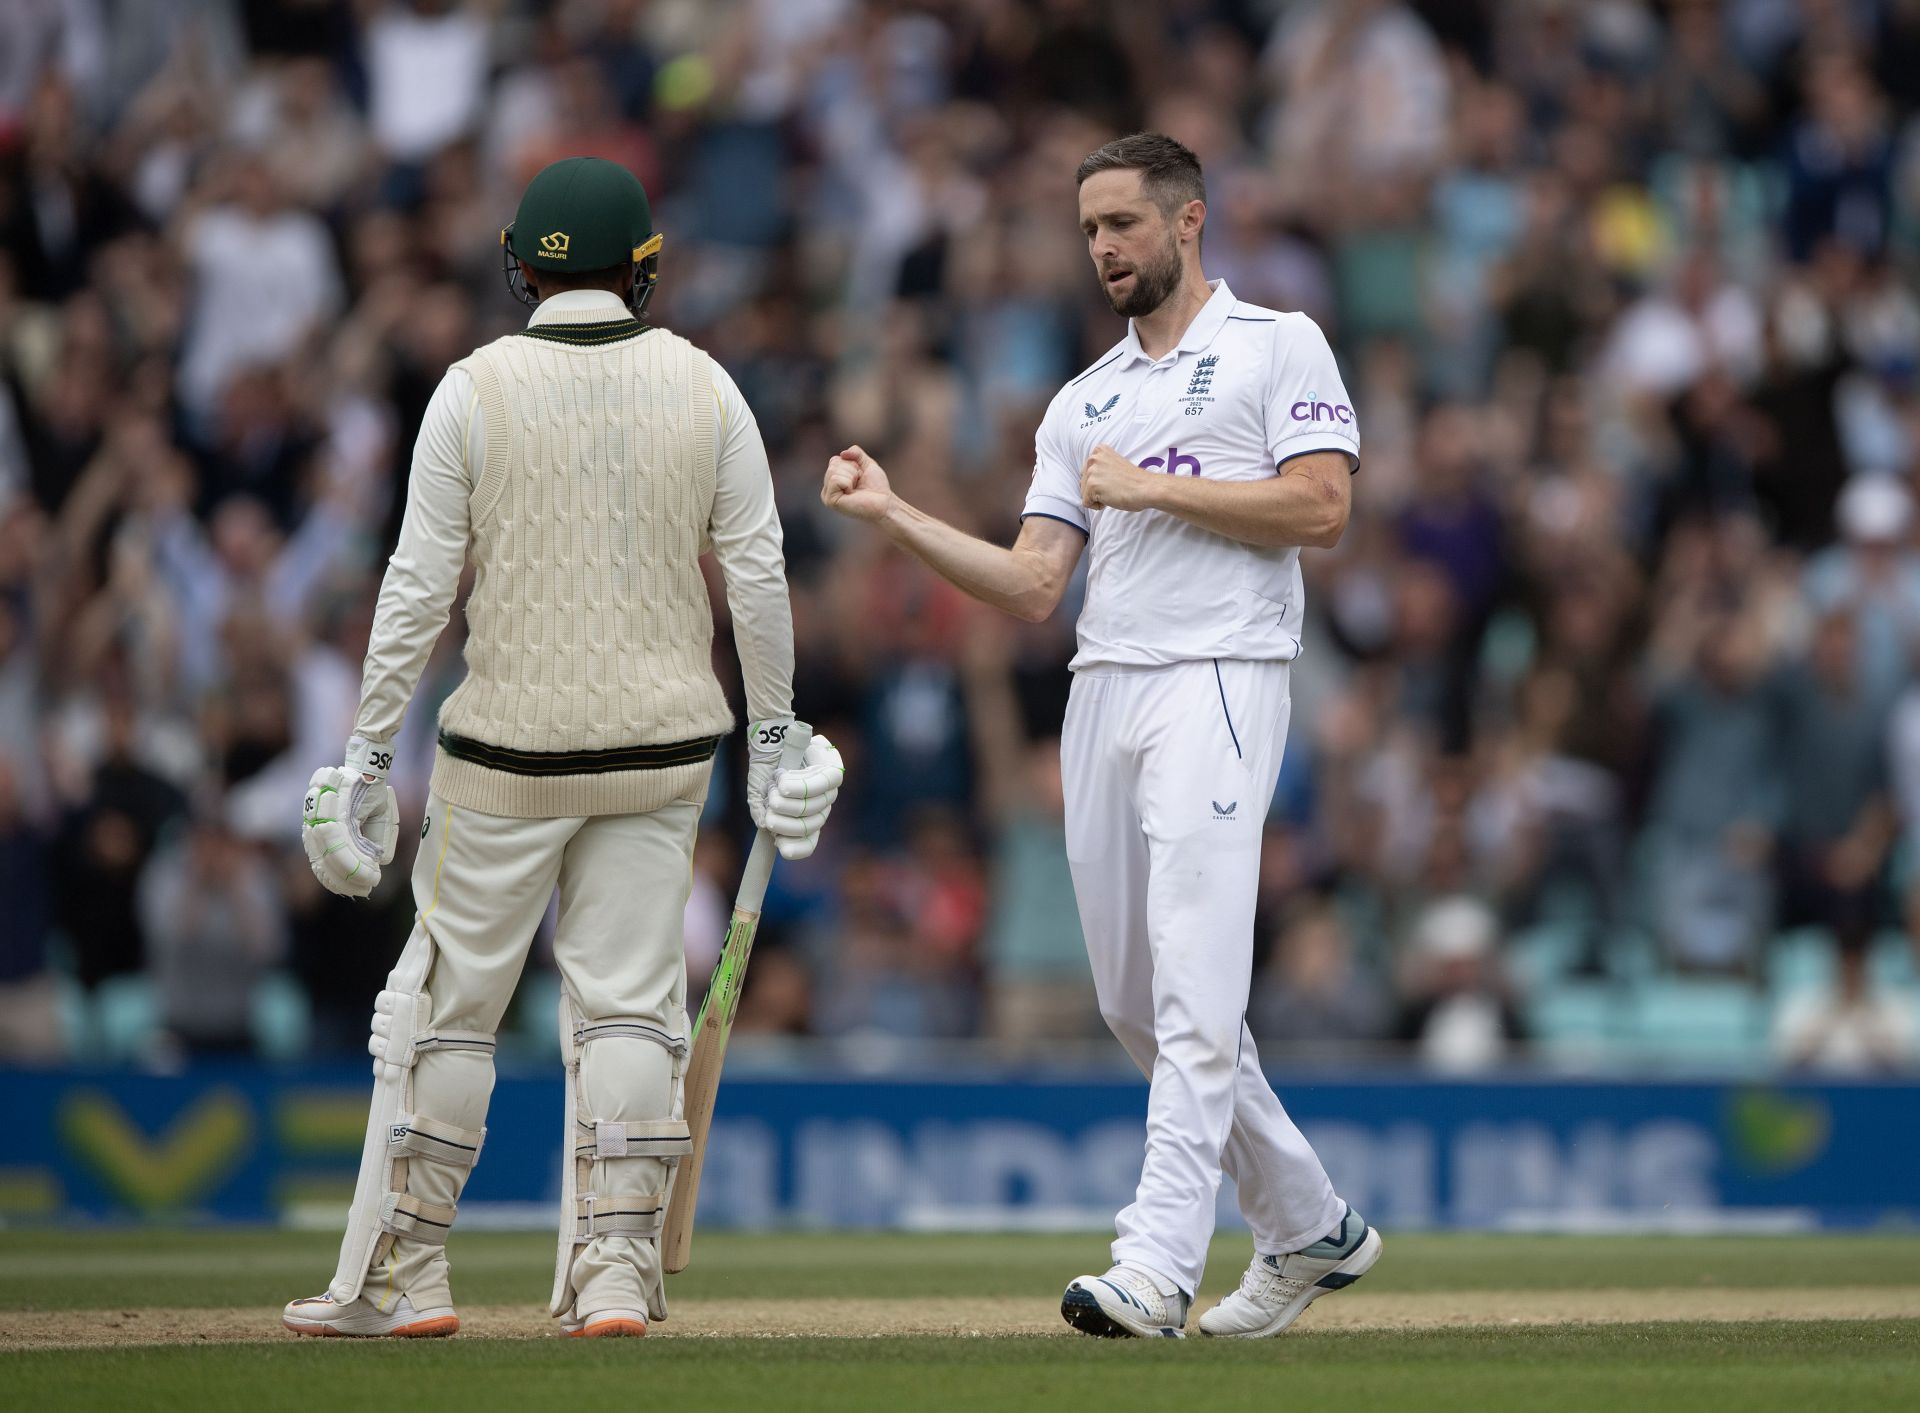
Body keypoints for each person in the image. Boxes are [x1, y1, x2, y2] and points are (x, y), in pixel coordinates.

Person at [821, 132, 1378, 1339]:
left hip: (1221, 674)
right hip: (1102, 687)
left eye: (1123, 223)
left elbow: (1323, 507)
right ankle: (1310, 1224)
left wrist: (1157, 487)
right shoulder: (1086, 398)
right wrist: (896, 514)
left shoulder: (1279, 343)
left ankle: (1157, 1265)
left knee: (1191, 985)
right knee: (1136, 996)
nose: (1104, 249)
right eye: (1089, 231)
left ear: (1188, 221)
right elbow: (1031, 586)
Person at [282, 157, 844, 1340]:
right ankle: (616, 1275)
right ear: (643, 269)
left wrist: (366, 756)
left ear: (516, 264)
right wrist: (776, 736)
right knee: (635, 1010)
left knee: (448, 1008)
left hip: (506, 757)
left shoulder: (471, 389)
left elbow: (417, 586)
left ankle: (410, 1275)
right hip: (661, 752)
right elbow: (756, 576)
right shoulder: (708, 387)